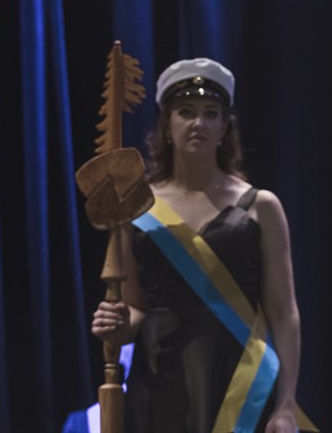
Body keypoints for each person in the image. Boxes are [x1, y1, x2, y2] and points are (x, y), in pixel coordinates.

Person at [91, 57, 316, 433]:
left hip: (243, 388)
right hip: (159, 387)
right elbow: (135, 308)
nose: (199, 123)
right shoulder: (136, 209)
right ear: (167, 125)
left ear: (224, 127)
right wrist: (118, 322)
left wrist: (286, 404)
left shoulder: (261, 206)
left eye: (211, 113)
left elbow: (283, 312)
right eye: (186, 112)